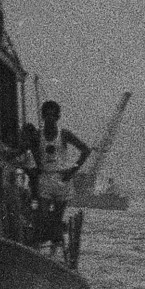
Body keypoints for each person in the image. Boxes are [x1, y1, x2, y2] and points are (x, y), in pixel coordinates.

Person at [32, 100, 90, 255]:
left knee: (57, 218)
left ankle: (54, 250)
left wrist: (73, 169)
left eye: (53, 115)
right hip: (45, 177)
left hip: (62, 179)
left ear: (57, 117)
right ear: (43, 117)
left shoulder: (64, 134)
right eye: (47, 115)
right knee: (43, 216)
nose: (50, 118)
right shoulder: (38, 135)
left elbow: (85, 150)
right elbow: (28, 148)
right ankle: (42, 246)